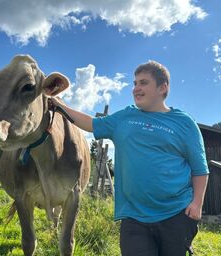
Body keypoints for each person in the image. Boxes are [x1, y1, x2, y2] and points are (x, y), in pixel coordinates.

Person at [50, 60, 209, 256]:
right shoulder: (125, 117)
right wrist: (59, 106)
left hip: (175, 213)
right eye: (134, 84)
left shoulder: (184, 123)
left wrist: (197, 203)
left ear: (162, 87)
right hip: (134, 217)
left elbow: (199, 167)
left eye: (143, 83)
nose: (136, 89)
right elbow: (91, 124)